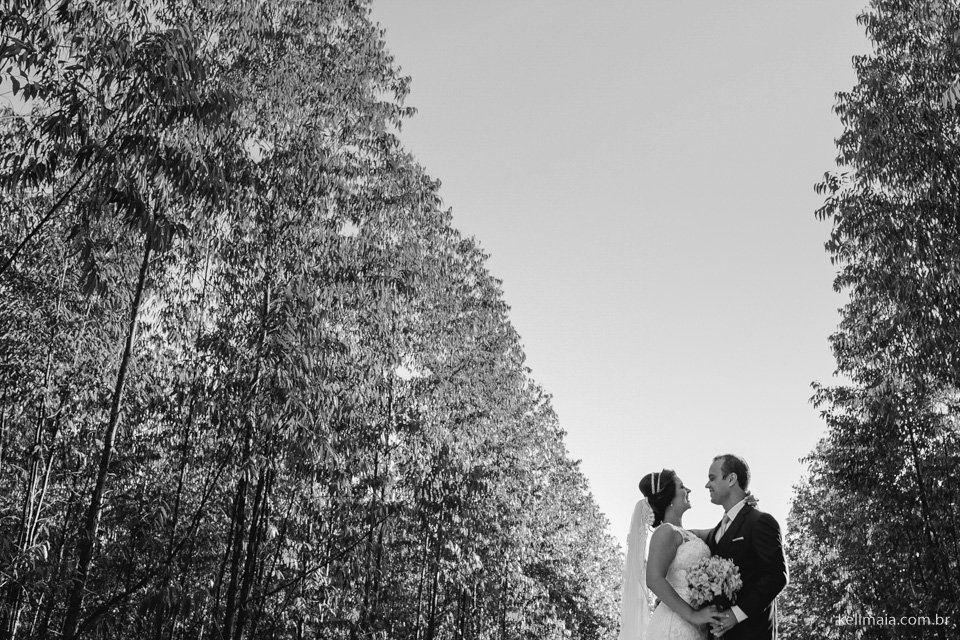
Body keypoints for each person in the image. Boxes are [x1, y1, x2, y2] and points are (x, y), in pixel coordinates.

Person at [619, 469, 723, 640]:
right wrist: (693, 615)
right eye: (682, 486)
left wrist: (742, 508)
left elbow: (723, 531)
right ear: (669, 498)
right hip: (674, 624)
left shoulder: (688, 534)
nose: (688, 490)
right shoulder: (665, 532)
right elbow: (653, 579)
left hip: (692, 627)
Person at [705, 454, 788, 640]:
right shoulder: (715, 532)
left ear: (732, 479)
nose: (707, 485)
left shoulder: (760, 521)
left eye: (712, 478)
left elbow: (776, 576)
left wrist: (736, 614)